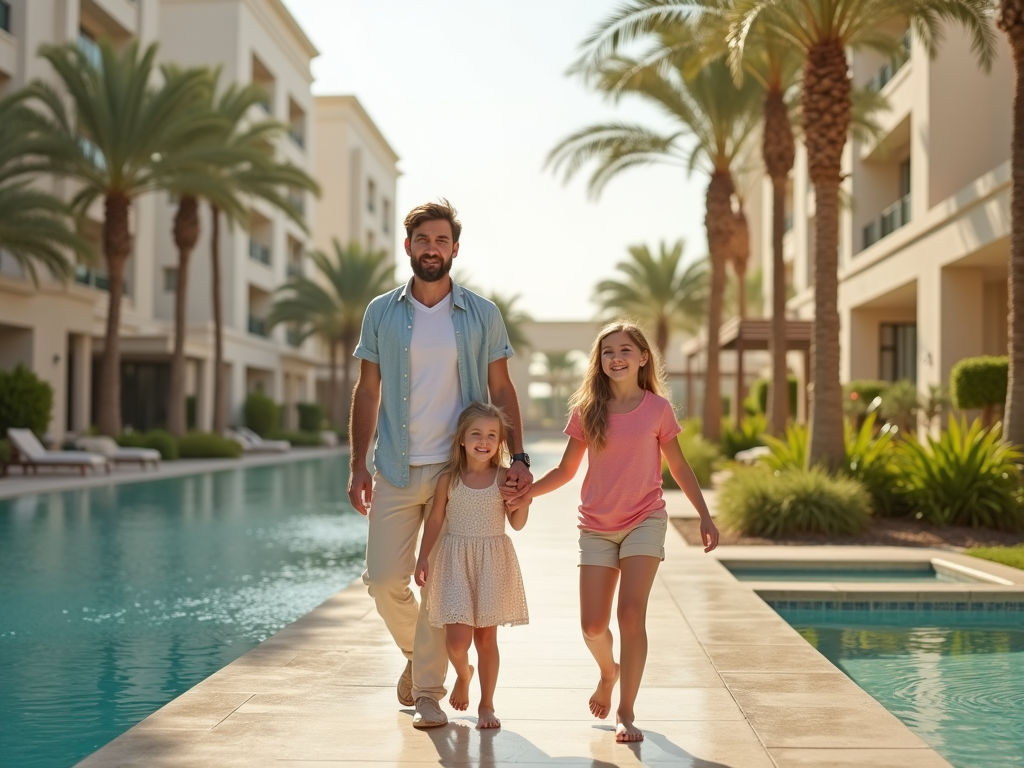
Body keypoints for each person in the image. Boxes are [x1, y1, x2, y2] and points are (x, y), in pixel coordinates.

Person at [347, 199, 533, 729]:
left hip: (461, 472)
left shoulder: (482, 313)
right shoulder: (381, 311)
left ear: (455, 249)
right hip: (398, 468)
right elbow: (368, 389)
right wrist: (358, 464)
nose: (433, 248)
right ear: (408, 246)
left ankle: (427, 693)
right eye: (423, 240)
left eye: (442, 240)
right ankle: (417, 655)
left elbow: (501, 386)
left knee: (440, 588)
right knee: (384, 580)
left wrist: (516, 457)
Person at [530, 321, 719, 743]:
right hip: (596, 526)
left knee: (630, 615)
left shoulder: (657, 410)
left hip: (644, 520)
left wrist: (704, 515)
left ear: (643, 358)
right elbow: (565, 470)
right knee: (593, 627)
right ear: (599, 361)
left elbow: (680, 466)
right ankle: (608, 671)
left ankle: (626, 711)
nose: (616, 358)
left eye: (625, 350)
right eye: (608, 352)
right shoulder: (586, 410)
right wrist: (527, 494)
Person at [414, 402, 530, 730]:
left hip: (491, 563)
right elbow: (435, 520)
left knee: (486, 641)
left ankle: (487, 705)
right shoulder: (448, 479)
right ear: (461, 439)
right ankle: (464, 675)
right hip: (454, 562)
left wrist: (525, 497)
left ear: (501, 442)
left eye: (492, 435)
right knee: (456, 642)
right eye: (476, 433)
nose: (484, 440)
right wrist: (423, 557)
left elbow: (518, 523)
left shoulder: (505, 476)